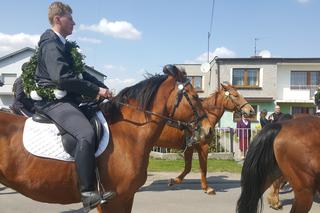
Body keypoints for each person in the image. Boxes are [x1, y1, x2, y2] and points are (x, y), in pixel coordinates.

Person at [34, 2, 114, 209]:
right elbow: (62, 77)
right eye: (71, 18)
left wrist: (103, 88)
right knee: (85, 133)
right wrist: (96, 91)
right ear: (58, 19)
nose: (75, 22)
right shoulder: (51, 44)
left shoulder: (64, 45)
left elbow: (81, 73)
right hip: (53, 101)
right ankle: (87, 192)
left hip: (68, 99)